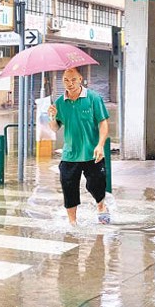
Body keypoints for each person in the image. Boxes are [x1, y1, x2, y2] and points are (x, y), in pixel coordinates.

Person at [47, 67, 110, 225]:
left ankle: (101, 206)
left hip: (92, 152)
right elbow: (55, 128)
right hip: (70, 153)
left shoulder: (94, 98)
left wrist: (100, 145)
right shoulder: (60, 103)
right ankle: (72, 222)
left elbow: (103, 123)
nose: (70, 83)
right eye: (66, 80)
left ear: (80, 79)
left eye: (73, 79)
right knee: (68, 187)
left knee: (96, 185)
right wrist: (52, 117)